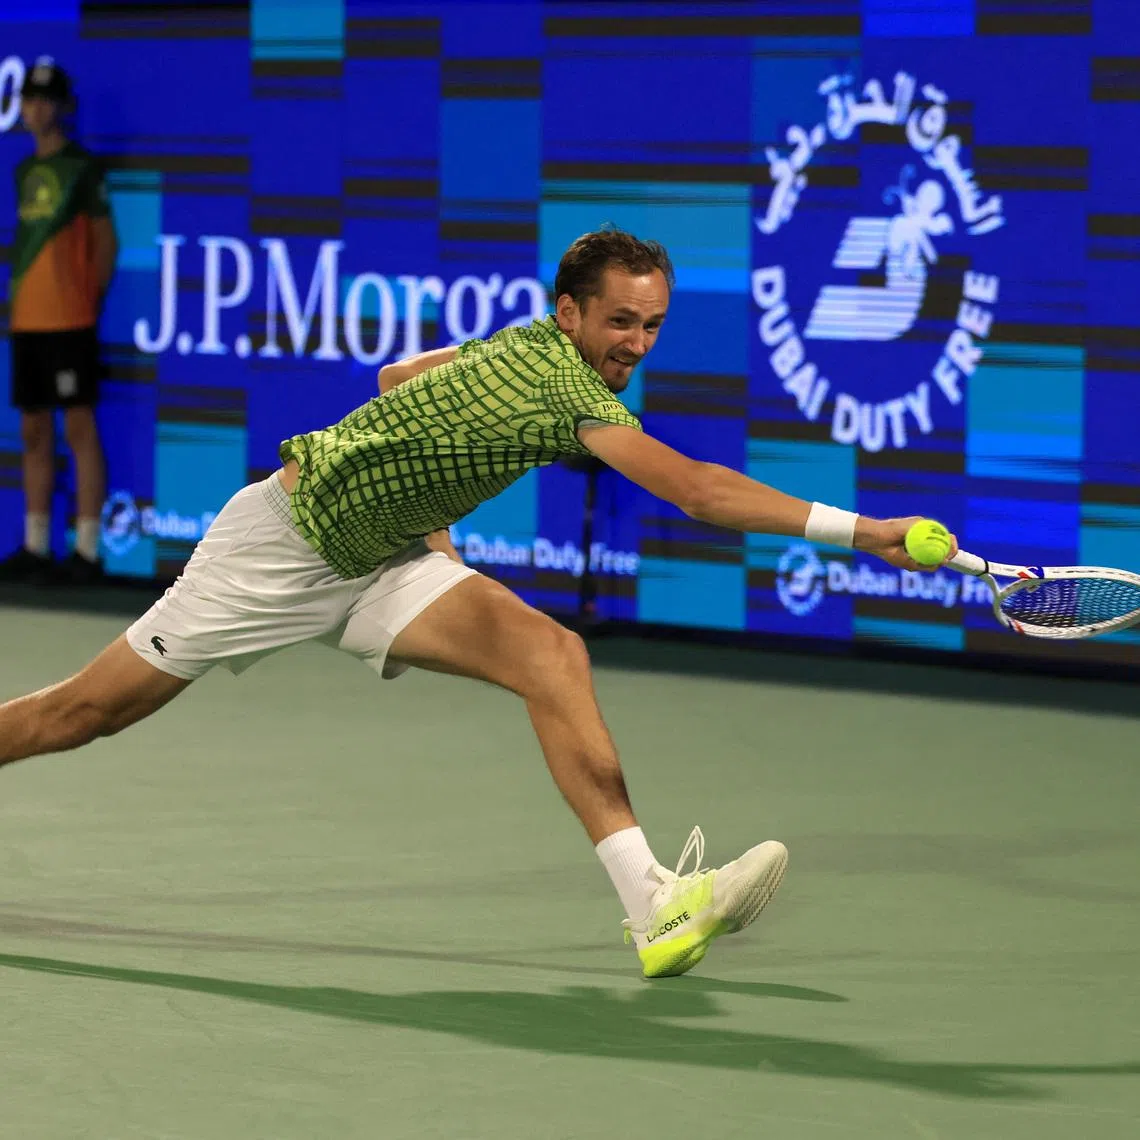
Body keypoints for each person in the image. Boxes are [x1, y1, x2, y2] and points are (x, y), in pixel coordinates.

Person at [0, 228, 955, 978]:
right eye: (620, 321)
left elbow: (394, 381)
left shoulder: (527, 342)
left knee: (554, 657)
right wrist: (868, 532)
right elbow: (699, 492)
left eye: (653, 323)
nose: (636, 343)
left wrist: (431, 535)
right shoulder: (560, 386)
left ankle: (652, 907)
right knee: (83, 715)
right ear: (571, 312)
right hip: (279, 549)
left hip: (383, 555)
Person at [0, 58, 117, 586]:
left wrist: (86, 301)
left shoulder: (82, 168)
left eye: (46, 99)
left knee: (79, 427)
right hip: (28, 321)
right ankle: (36, 543)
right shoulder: (23, 171)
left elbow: (106, 243)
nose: (36, 108)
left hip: (71, 321)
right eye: (29, 98)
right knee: (33, 429)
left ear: (63, 107)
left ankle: (88, 551)